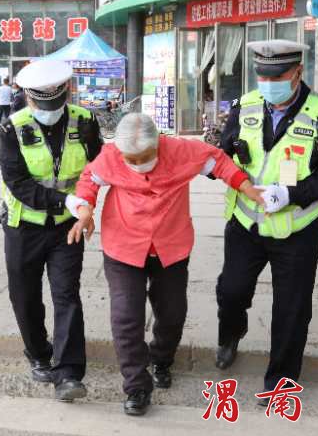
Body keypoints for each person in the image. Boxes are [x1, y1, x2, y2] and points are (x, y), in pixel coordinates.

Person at [70, 113, 263, 416]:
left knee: (172, 312)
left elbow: (218, 162)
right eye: (131, 159)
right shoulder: (111, 155)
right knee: (125, 317)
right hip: (124, 244)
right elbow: (89, 180)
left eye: (145, 157)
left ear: (158, 144)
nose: (138, 164)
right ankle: (136, 385)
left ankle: (161, 359)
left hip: (170, 245)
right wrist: (84, 211)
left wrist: (246, 186)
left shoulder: (181, 151)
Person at [215, 40, 318, 404]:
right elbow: (223, 153)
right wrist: (215, 166)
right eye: (262, 75)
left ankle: (281, 380)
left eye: (276, 76)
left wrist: (292, 194)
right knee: (232, 291)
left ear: (297, 73)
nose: (268, 83)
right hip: (245, 221)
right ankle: (231, 333)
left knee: (292, 306)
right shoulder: (244, 105)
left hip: (297, 227)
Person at [0, 59, 103, 402]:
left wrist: (86, 204)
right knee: (25, 297)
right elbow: (18, 183)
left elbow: (98, 168)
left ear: (67, 93)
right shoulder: (12, 129)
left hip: (66, 228)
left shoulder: (85, 122)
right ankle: (39, 354)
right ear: (28, 98)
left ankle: (69, 373)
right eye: (42, 105)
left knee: (66, 295)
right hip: (23, 226)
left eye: (56, 103)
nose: (50, 111)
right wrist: (67, 201)